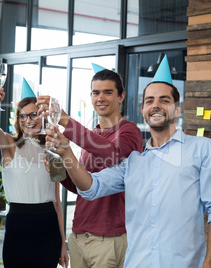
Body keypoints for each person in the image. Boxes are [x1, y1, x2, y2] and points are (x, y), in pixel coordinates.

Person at [46, 56, 211, 268]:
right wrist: (63, 156)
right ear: (142, 110)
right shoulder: (134, 162)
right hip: (110, 249)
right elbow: (88, 187)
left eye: (165, 100)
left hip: (129, 247)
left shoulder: (199, 148)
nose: (156, 106)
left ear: (178, 109)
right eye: (149, 101)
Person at [37, 68, 143, 268]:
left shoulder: (129, 131)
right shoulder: (92, 135)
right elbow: (83, 186)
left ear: (121, 96)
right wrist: (61, 169)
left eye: (107, 92)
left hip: (109, 239)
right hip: (79, 236)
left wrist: (65, 121)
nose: (100, 98)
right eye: (95, 92)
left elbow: (113, 154)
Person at [0, 83, 69, 268]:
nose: (28, 120)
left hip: (48, 227)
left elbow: (57, 202)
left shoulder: (53, 149)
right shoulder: (10, 145)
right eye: (22, 116)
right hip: (18, 225)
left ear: (42, 116)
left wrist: (63, 244)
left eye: (34, 114)